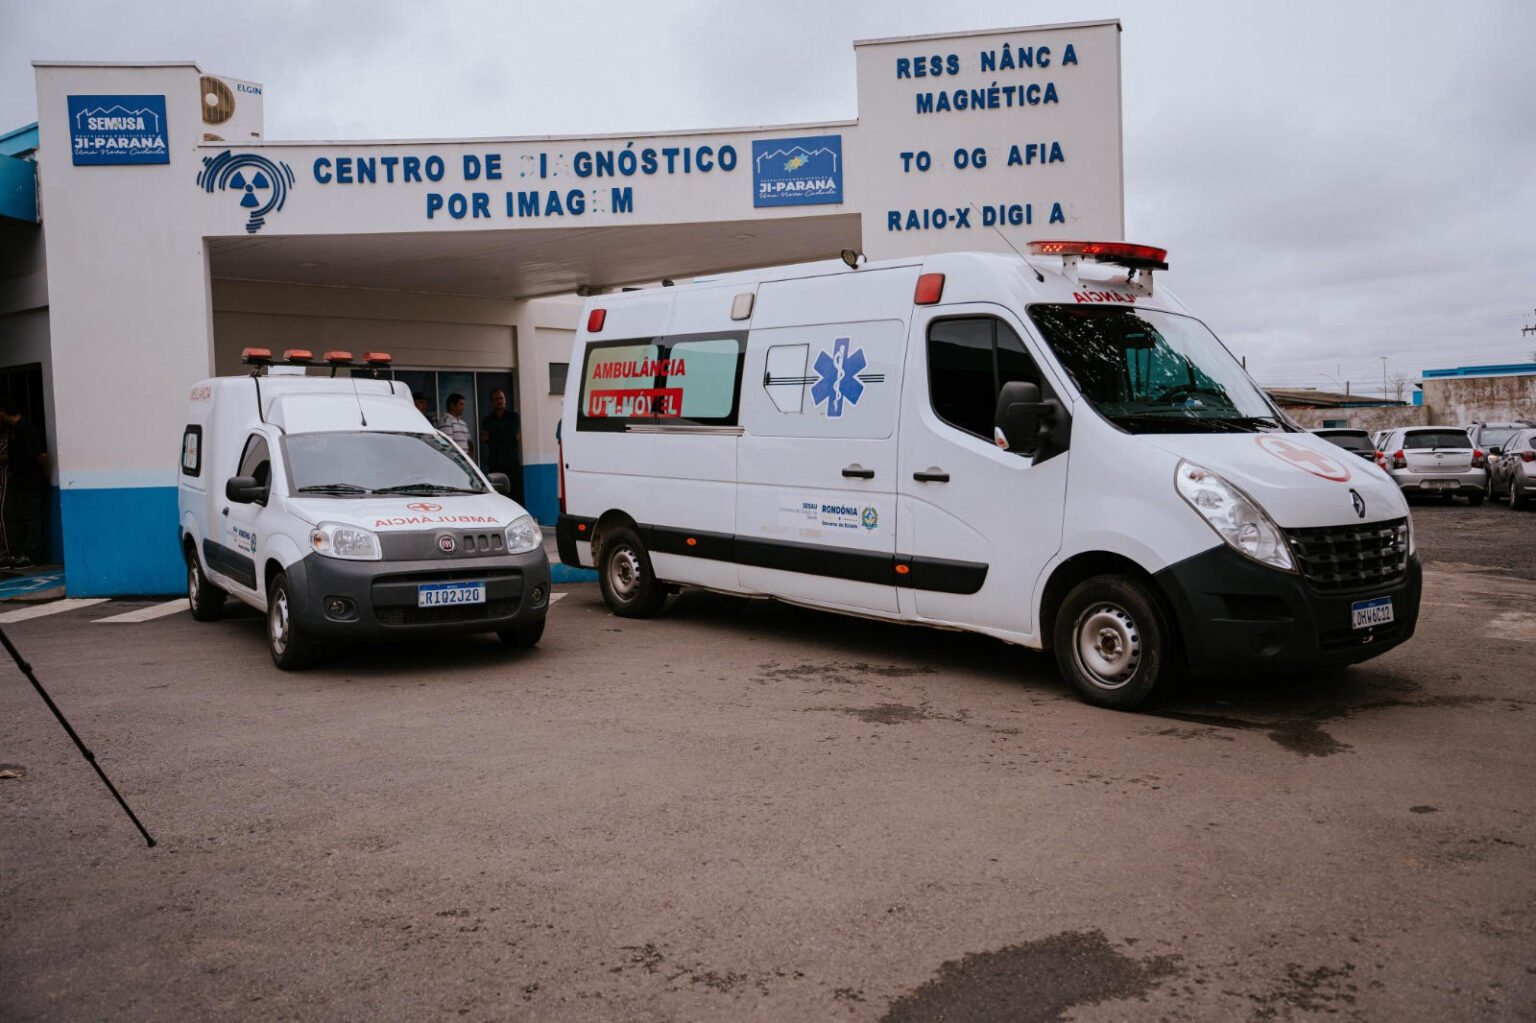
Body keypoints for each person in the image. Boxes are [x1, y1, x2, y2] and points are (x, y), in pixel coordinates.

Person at [1, 400, 48, 568]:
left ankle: (30, 555)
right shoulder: (16, 430)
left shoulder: (25, 429)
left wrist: (46, 474)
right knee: (18, 516)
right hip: (20, 481)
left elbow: (41, 455)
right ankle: (19, 553)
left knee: (31, 518)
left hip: (30, 481)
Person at [479, 387, 523, 503]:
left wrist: (493, 437)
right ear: (491, 402)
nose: (499, 401)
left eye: (501, 398)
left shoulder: (513, 417)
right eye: (496, 399)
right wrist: (502, 437)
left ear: (505, 400)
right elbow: (485, 438)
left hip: (512, 462)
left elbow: (513, 435)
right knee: (497, 497)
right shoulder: (487, 420)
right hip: (495, 463)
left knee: (516, 495)